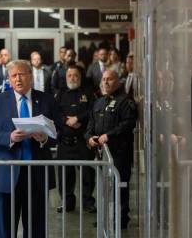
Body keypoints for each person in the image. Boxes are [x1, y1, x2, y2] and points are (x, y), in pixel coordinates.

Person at [0, 60, 57, 238]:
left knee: (36, 228)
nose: (18, 79)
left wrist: (45, 137)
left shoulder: (47, 100)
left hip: (37, 173)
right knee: (5, 229)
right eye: (13, 75)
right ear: (8, 78)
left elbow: (59, 130)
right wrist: (9, 137)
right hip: (7, 174)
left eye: (22, 74)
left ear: (30, 76)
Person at [85, 70, 136, 229]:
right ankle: (105, 217)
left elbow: (128, 123)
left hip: (119, 152)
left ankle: (120, 219)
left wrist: (109, 135)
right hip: (101, 154)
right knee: (103, 187)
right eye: (104, 79)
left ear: (118, 82)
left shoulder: (125, 101)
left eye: (109, 79)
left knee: (119, 186)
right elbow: (90, 125)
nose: (105, 82)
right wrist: (89, 137)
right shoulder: (98, 102)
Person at [55, 66, 95, 213]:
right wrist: (67, 120)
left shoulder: (88, 93)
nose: (72, 78)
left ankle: (88, 202)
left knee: (87, 175)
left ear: (80, 77)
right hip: (65, 142)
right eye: (69, 75)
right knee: (65, 176)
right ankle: (67, 203)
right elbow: (55, 112)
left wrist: (78, 118)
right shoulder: (60, 94)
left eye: (75, 75)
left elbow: (92, 111)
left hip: (82, 142)